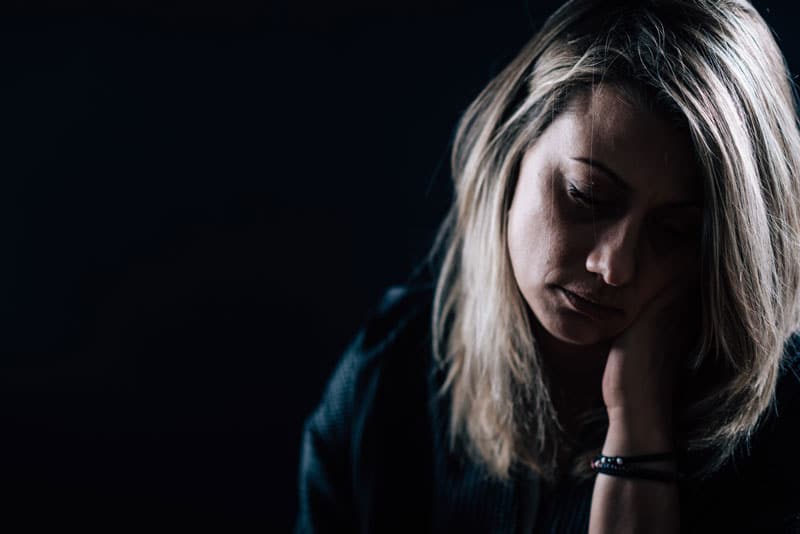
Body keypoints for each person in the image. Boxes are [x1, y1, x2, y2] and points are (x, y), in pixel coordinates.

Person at [295, 0, 800, 531]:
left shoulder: (781, 437)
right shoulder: (389, 373)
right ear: (512, 151)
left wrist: (639, 427)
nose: (615, 266)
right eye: (588, 195)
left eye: (674, 232)